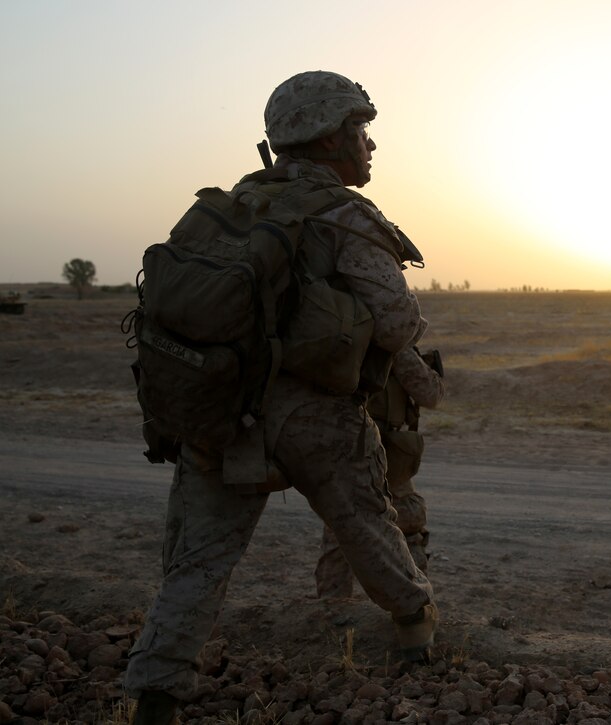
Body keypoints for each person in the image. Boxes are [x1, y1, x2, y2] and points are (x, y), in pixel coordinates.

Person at [124, 70, 438, 724]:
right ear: (328, 138)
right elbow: (400, 323)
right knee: (367, 523)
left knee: (200, 562)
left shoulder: (232, 206)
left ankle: (155, 693)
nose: (370, 145)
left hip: (223, 409)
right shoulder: (345, 215)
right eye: (360, 129)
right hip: (316, 418)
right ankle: (415, 631)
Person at [316, 344, 445, 597]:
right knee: (407, 522)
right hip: (380, 449)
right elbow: (430, 394)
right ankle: (416, 610)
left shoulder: (339, 331)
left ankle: (331, 611)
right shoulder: (391, 339)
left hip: (340, 446)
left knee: (339, 528)